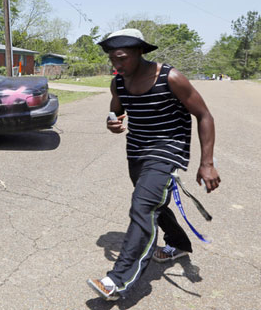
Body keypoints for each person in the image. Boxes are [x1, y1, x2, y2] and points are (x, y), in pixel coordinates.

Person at [87, 29, 221, 301]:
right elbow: (117, 110)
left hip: (168, 150)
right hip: (136, 151)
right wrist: (112, 121)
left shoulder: (170, 78)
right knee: (153, 204)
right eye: (113, 59)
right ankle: (179, 244)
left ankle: (117, 280)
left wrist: (207, 162)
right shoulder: (119, 83)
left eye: (122, 58)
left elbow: (204, 115)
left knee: (143, 205)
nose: (117, 64)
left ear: (139, 52)